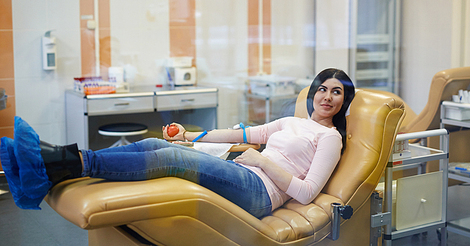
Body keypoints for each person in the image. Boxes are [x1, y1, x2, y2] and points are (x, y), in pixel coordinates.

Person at [0, 68, 355, 218]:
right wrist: (190, 135)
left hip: (260, 194)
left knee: (170, 158)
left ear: (344, 102)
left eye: (336, 92)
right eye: (322, 88)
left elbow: (307, 193)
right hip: (240, 173)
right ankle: (58, 165)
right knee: (160, 146)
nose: (326, 97)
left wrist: (262, 162)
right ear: (312, 93)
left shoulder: (330, 139)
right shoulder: (291, 121)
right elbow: (239, 135)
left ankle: (57, 164)